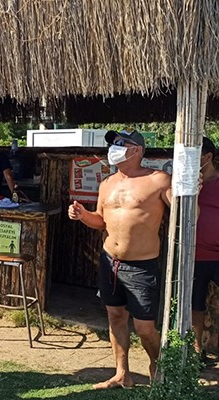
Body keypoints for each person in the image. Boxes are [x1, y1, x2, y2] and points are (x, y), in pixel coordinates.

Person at [68, 128, 170, 389]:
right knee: (115, 317)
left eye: (120, 143)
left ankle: (158, 368)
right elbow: (101, 221)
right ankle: (121, 373)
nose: (114, 146)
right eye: (113, 143)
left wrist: (191, 192)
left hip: (142, 265)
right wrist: (82, 215)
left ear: (137, 150)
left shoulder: (158, 179)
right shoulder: (107, 183)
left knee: (145, 328)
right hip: (110, 261)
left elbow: (187, 212)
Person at [192, 136, 219, 357]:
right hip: (194, 255)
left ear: (207, 156)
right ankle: (196, 351)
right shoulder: (186, 182)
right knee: (195, 305)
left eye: (196, 154)